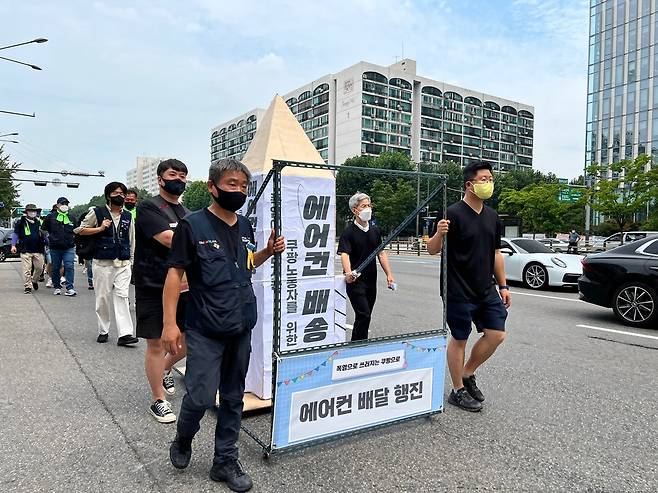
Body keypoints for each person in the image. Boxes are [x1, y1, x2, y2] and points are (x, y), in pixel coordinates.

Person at [163, 158, 285, 492]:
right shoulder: (192, 226)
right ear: (212, 187)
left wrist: (267, 253)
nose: (239, 191)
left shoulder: (244, 226)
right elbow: (175, 274)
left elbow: (244, 264)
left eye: (244, 186)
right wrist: (170, 325)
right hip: (205, 327)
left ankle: (224, 462)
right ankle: (183, 438)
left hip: (240, 325)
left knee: (233, 398)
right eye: (232, 185)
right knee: (201, 396)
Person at [427, 161, 511, 413]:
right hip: (457, 289)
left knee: (497, 334)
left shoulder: (493, 216)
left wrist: (503, 285)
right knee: (460, 338)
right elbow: (432, 250)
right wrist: (439, 234)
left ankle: (467, 372)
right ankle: (457, 390)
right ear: (469, 184)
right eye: (483, 179)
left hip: (485, 288)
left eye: (490, 178)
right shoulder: (452, 213)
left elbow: (496, 253)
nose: (488, 183)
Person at [134, 159, 190, 423]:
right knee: (157, 342)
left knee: (188, 338)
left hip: (185, 288)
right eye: (172, 174)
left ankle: (167, 369)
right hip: (153, 284)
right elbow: (168, 239)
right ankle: (158, 399)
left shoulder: (187, 212)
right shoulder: (149, 207)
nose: (178, 178)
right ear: (160, 179)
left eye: (182, 175)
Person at [75, 182, 138, 346]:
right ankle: (103, 329)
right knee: (102, 297)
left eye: (122, 193)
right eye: (116, 192)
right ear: (108, 195)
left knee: (122, 296)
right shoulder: (97, 212)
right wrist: (100, 228)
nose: (120, 196)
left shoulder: (128, 216)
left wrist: (131, 261)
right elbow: (80, 230)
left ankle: (125, 334)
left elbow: (131, 240)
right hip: (103, 263)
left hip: (123, 263)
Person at [337, 192, 395, 341]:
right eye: (363, 206)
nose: (367, 209)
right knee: (363, 313)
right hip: (355, 281)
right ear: (354, 210)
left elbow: (381, 253)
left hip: (371, 280)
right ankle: (356, 346)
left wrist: (389, 275)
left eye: (369, 205)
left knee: (366, 314)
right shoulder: (348, 232)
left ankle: (360, 344)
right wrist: (348, 273)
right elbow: (345, 254)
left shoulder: (374, 230)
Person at [41, 197, 78, 296]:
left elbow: (77, 230)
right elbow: (43, 229)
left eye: (66, 204)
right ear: (57, 205)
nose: (64, 205)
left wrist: (75, 239)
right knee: (56, 267)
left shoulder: (72, 217)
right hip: (55, 247)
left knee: (69, 266)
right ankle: (57, 286)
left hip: (69, 246)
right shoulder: (50, 217)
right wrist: (49, 238)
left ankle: (70, 287)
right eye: (62, 203)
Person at [11, 204, 46, 294]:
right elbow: (15, 234)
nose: (33, 212)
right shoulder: (20, 222)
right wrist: (13, 245)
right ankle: (28, 286)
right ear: (26, 212)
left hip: (38, 249)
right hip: (25, 249)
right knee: (27, 269)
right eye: (31, 211)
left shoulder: (39, 222)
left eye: (34, 211)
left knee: (39, 268)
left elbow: (45, 234)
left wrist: (48, 241)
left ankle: (34, 281)